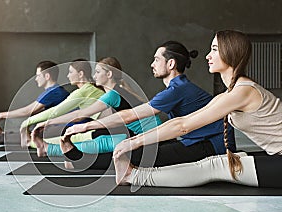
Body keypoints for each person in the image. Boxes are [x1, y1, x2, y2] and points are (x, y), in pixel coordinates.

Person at [111, 30, 281, 188]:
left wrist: (134, 142)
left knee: (215, 166)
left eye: (214, 49)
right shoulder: (232, 93)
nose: (208, 56)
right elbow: (183, 122)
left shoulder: (243, 92)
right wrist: (135, 141)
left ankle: (133, 176)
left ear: (230, 52)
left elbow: (183, 126)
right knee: (226, 161)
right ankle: (132, 174)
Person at [62, 41, 235, 170]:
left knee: (138, 155)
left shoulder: (178, 89)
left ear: (171, 64)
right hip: (197, 141)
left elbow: (129, 115)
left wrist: (87, 125)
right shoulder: (178, 87)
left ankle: (80, 159)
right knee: (142, 149)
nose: (152, 64)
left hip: (213, 146)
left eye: (156, 60)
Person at [31, 57, 161, 158]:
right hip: (148, 133)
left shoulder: (113, 94)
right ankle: (53, 150)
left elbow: (80, 114)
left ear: (109, 74)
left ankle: (50, 149)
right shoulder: (118, 89)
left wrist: (48, 122)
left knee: (103, 142)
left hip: (151, 136)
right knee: (101, 138)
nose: (94, 76)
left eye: (98, 72)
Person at [18, 59, 105, 148]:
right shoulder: (90, 89)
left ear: (80, 74)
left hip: (97, 131)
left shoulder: (84, 91)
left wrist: (26, 122)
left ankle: (33, 144)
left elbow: (56, 111)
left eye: (70, 72)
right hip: (95, 129)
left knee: (46, 142)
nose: (68, 76)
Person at [0, 60, 69, 143]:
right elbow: (33, 112)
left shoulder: (54, 92)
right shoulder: (54, 91)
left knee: (33, 136)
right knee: (30, 132)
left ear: (47, 76)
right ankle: (0, 136)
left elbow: (28, 111)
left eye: (38, 76)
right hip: (58, 127)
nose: (36, 79)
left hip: (61, 129)